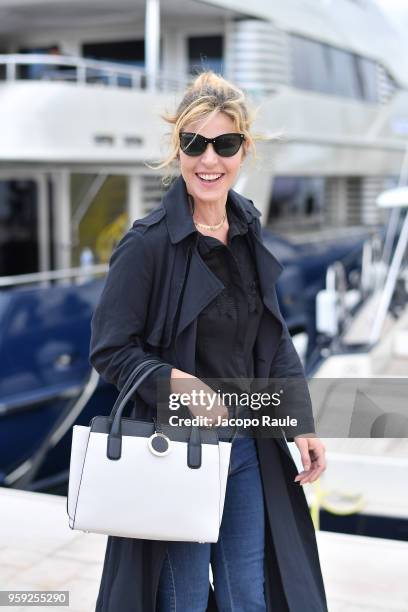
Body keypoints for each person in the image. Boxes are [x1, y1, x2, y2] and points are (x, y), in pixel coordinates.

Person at [89, 70, 328, 612]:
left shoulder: (247, 227)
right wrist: (175, 382)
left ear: (244, 150)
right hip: (174, 451)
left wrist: (302, 420)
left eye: (224, 144)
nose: (208, 160)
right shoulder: (146, 245)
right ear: (178, 149)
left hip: (245, 444)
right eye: (195, 144)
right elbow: (109, 349)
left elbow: (274, 334)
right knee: (185, 599)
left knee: (250, 593)